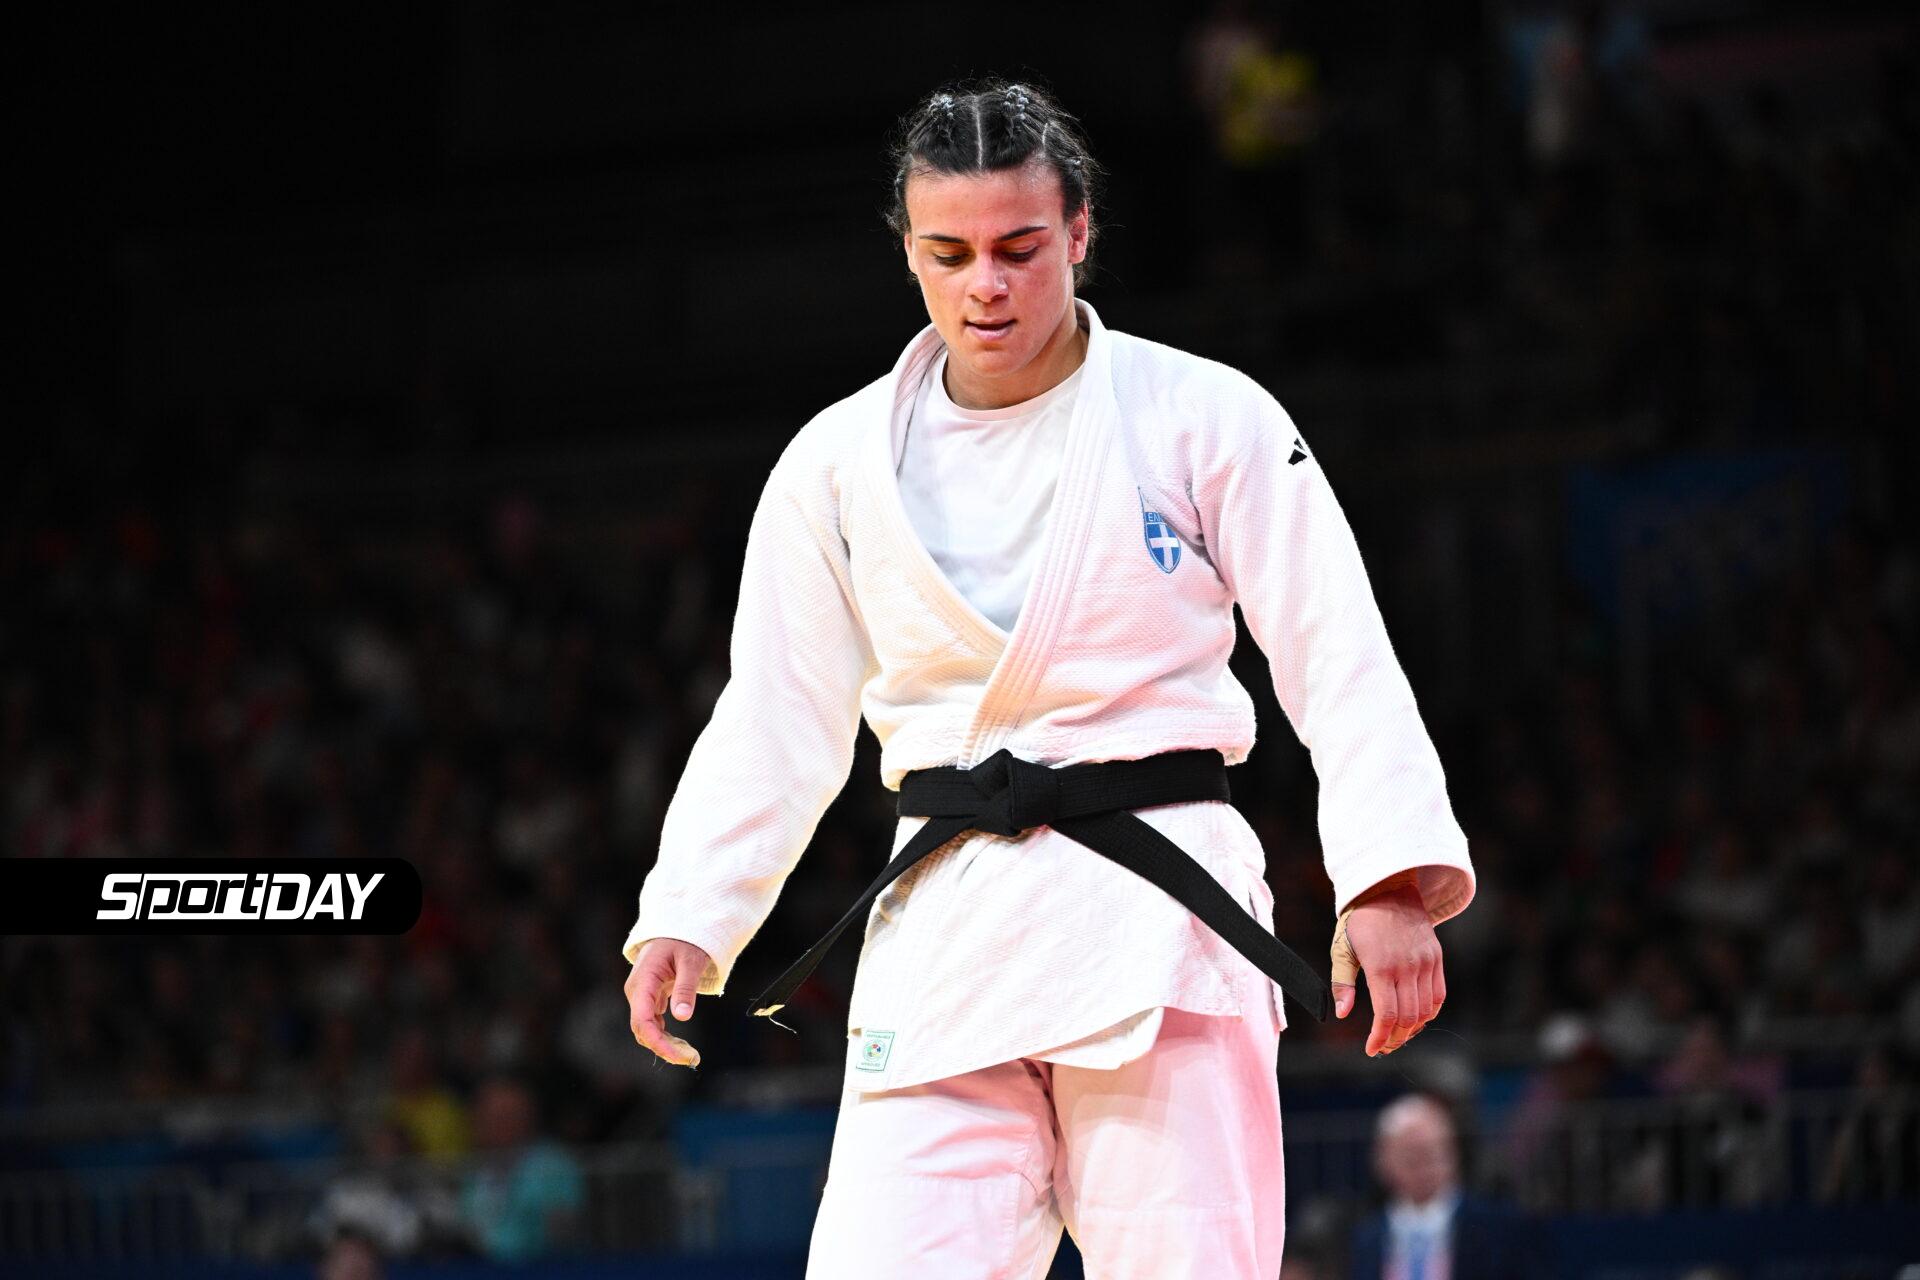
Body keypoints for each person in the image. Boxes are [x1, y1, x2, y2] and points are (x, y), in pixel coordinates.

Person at [623, 76, 1475, 1277]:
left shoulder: (1205, 416)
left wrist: (1385, 878)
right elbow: (778, 713)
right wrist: (692, 912)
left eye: (1020, 247)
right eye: (951, 253)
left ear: (1079, 232)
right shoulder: (835, 463)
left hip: (1160, 921)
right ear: (907, 251)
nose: (987, 283)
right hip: (947, 933)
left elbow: (1337, 650)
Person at [1350, 1094, 1536, 1280]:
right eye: (1411, 1157)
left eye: (1431, 1154)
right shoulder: (1367, 1238)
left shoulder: (1498, 1228)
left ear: (1453, 1153)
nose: (1423, 1167)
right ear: (1383, 1160)